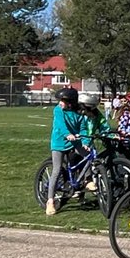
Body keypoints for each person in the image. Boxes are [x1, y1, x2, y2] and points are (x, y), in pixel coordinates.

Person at [45, 87, 87, 216]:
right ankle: (50, 201)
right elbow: (60, 124)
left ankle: (86, 183)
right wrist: (68, 134)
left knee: (87, 158)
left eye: (63, 101)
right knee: (57, 170)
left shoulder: (79, 113)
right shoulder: (58, 110)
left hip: (74, 142)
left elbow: (83, 128)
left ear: (71, 102)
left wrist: (85, 142)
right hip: (59, 143)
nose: (60, 103)